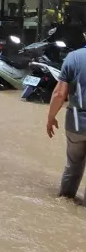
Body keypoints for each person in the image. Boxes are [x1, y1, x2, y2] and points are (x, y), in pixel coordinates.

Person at [47, 47, 86, 200]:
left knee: (73, 165)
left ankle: (66, 200)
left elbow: (59, 93)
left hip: (76, 123)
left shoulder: (73, 57)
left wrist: (51, 118)